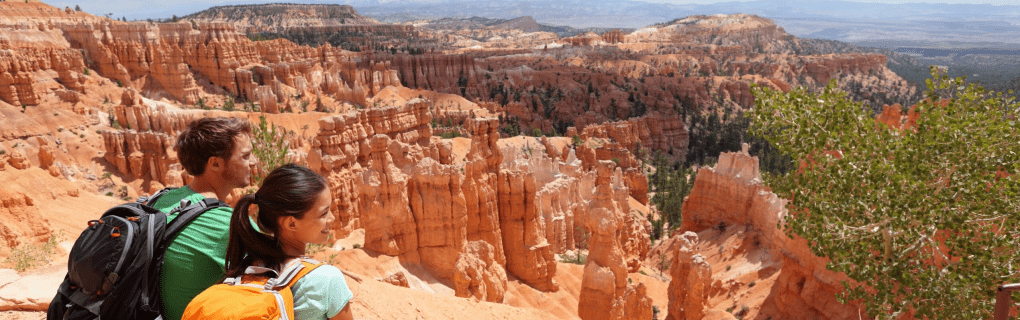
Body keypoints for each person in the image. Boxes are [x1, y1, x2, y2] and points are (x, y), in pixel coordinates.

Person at [149, 117, 253, 320]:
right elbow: (280, 279)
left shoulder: (162, 199)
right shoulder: (227, 225)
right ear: (215, 163)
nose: (254, 162)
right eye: (246, 156)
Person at [226, 164, 354, 320]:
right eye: (324, 213)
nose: (332, 218)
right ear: (291, 224)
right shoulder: (327, 279)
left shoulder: (248, 267)